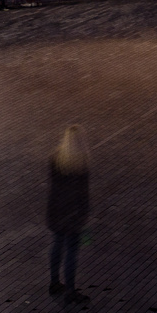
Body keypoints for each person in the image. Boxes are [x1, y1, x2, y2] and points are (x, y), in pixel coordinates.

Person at [46, 126, 90, 303]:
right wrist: (84, 214)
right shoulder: (82, 161)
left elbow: (53, 185)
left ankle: (54, 282)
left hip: (56, 209)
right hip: (73, 213)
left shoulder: (55, 157)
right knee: (72, 250)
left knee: (57, 244)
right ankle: (71, 290)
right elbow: (83, 192)